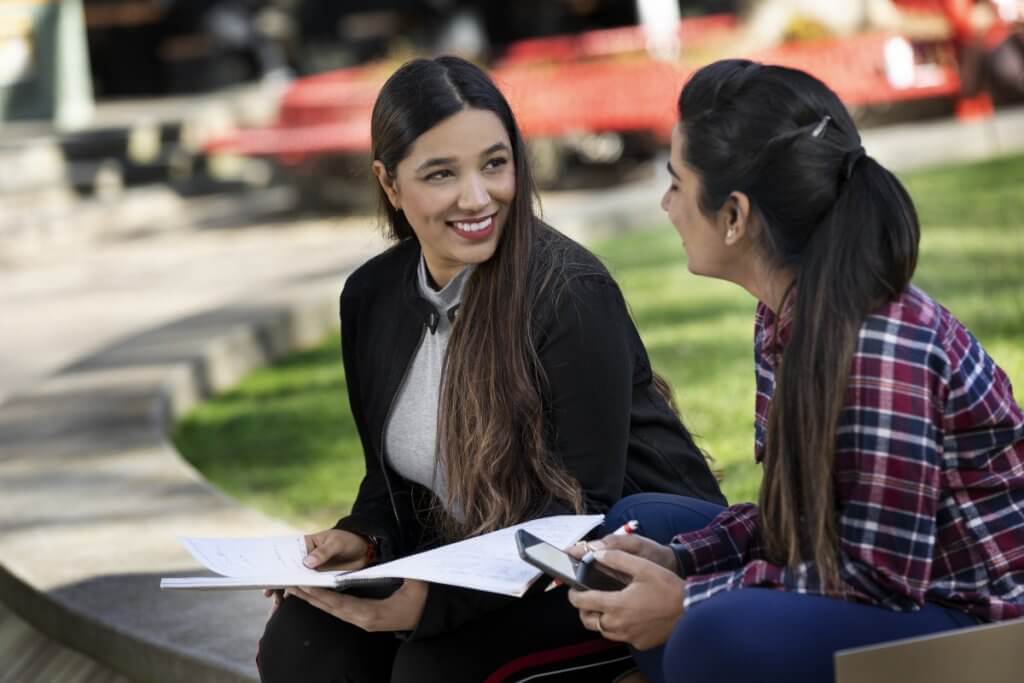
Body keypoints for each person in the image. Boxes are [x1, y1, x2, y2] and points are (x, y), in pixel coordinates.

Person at [256, 55, 725, 683]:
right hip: (466, 565)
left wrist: (434, 604)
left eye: (495, 164)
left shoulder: (569, 292)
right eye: (441, 173)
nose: (477, 197)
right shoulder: (371, 298)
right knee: (305, 641)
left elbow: (578, 510)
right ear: (391, 185)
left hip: (611, 564)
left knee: (434, 670)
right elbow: (392, 483)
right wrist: (362, 540)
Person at [566, 58, 1024, 683]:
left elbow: (875, 577)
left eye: (676, 182)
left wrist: (689, 602)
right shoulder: (785, 313)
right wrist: (678, 560)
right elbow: (808, 523)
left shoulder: (879, 342)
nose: (666, 203)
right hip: (887, 590)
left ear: (734, 215)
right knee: (643, 525)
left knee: (708, 635)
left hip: (977, 625)